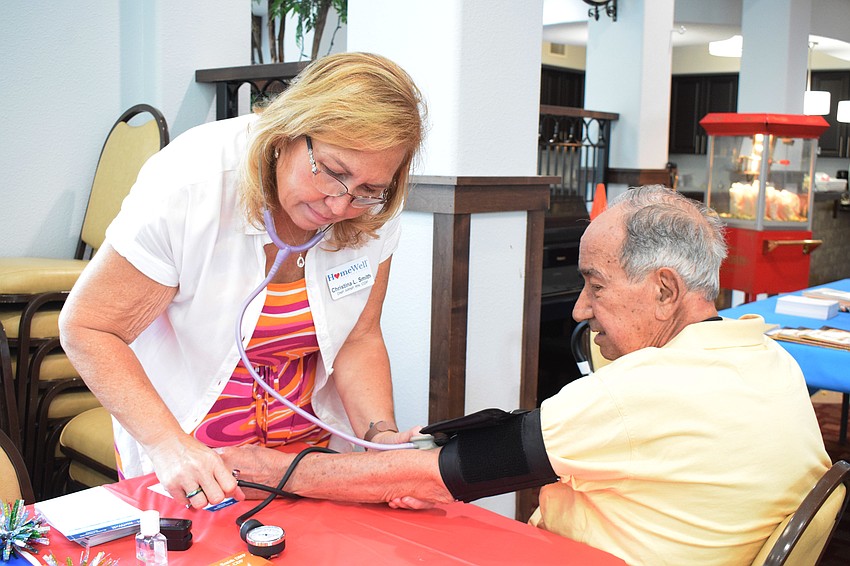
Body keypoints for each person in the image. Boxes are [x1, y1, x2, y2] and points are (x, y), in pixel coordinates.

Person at [217, 185, 832, 566]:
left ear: (665, 290)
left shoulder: (635, 395)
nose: (581, 309)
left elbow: (431, 478)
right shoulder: (772, 360)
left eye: (594, 284)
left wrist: (267, 465)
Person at [58, 52, 426, 509]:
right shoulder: (192, 182)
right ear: (290, 130)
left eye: (369, 190)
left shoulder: (371, 210)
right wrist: (168, 445)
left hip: (307, 464)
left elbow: (360, 337)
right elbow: (89, 327)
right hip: (194, 466)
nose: (339, 204)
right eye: (334, 172)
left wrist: (381, 442)